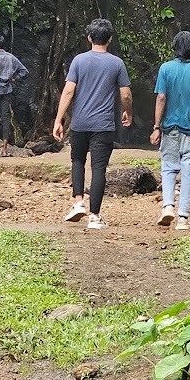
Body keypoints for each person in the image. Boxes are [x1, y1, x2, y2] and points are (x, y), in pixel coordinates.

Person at [54, 18, 133, 229]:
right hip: (104, 125)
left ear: (89, 38)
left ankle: (78, 202)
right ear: (110, 39)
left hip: (80, 123)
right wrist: (128, 112)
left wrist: (59, 119)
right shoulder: (117, 63)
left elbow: (69, 90)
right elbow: (125, 94)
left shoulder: (79, 61)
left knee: (77, 161)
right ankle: (94, 217)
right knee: (99, 169)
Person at [151, 29, 190, 232]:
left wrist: (156, 127)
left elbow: (161, 98)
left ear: (175, 48)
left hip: (170, 128)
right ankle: (183, 218)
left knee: (168, 167)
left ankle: (168, 205)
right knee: (189, 172)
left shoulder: (165, 69)